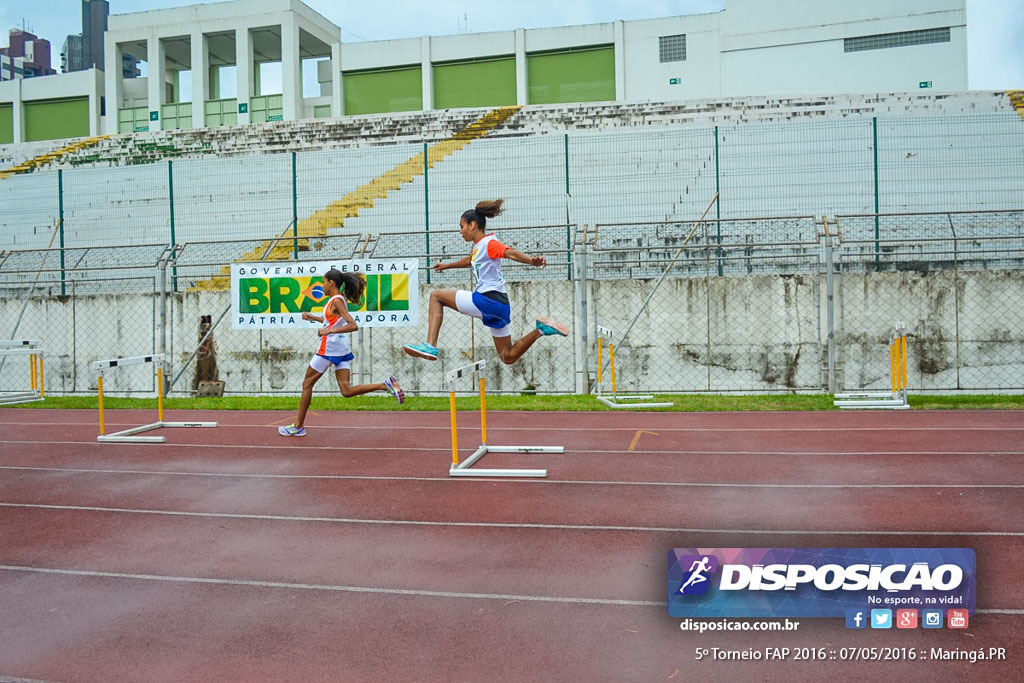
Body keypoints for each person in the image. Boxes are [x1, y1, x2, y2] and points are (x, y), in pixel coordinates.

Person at [403, 199, 569, 364]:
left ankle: (430, 345)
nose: (460, 232)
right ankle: (541, 330)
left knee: (436, 296)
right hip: (501, 307)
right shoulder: (479, 247)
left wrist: (531, 261)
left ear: (472, 225)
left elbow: (509, 253)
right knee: (507, 356)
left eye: (462, 227)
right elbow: (470, 260)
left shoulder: (489, 244)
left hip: (486, 300)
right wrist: (447, 265)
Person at [278, 269, 404, 437]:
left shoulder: (336, 301)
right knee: (346, 391)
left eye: (323, 282)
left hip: (329, 347)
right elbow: (333, 319)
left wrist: (328, 331)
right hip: (340, 347)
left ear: (331, 283)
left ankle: (298, 426)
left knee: (307, 384)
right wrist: (313, 318)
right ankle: (385, 385)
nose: (322, 286)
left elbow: (353, 325)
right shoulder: (336, 300)